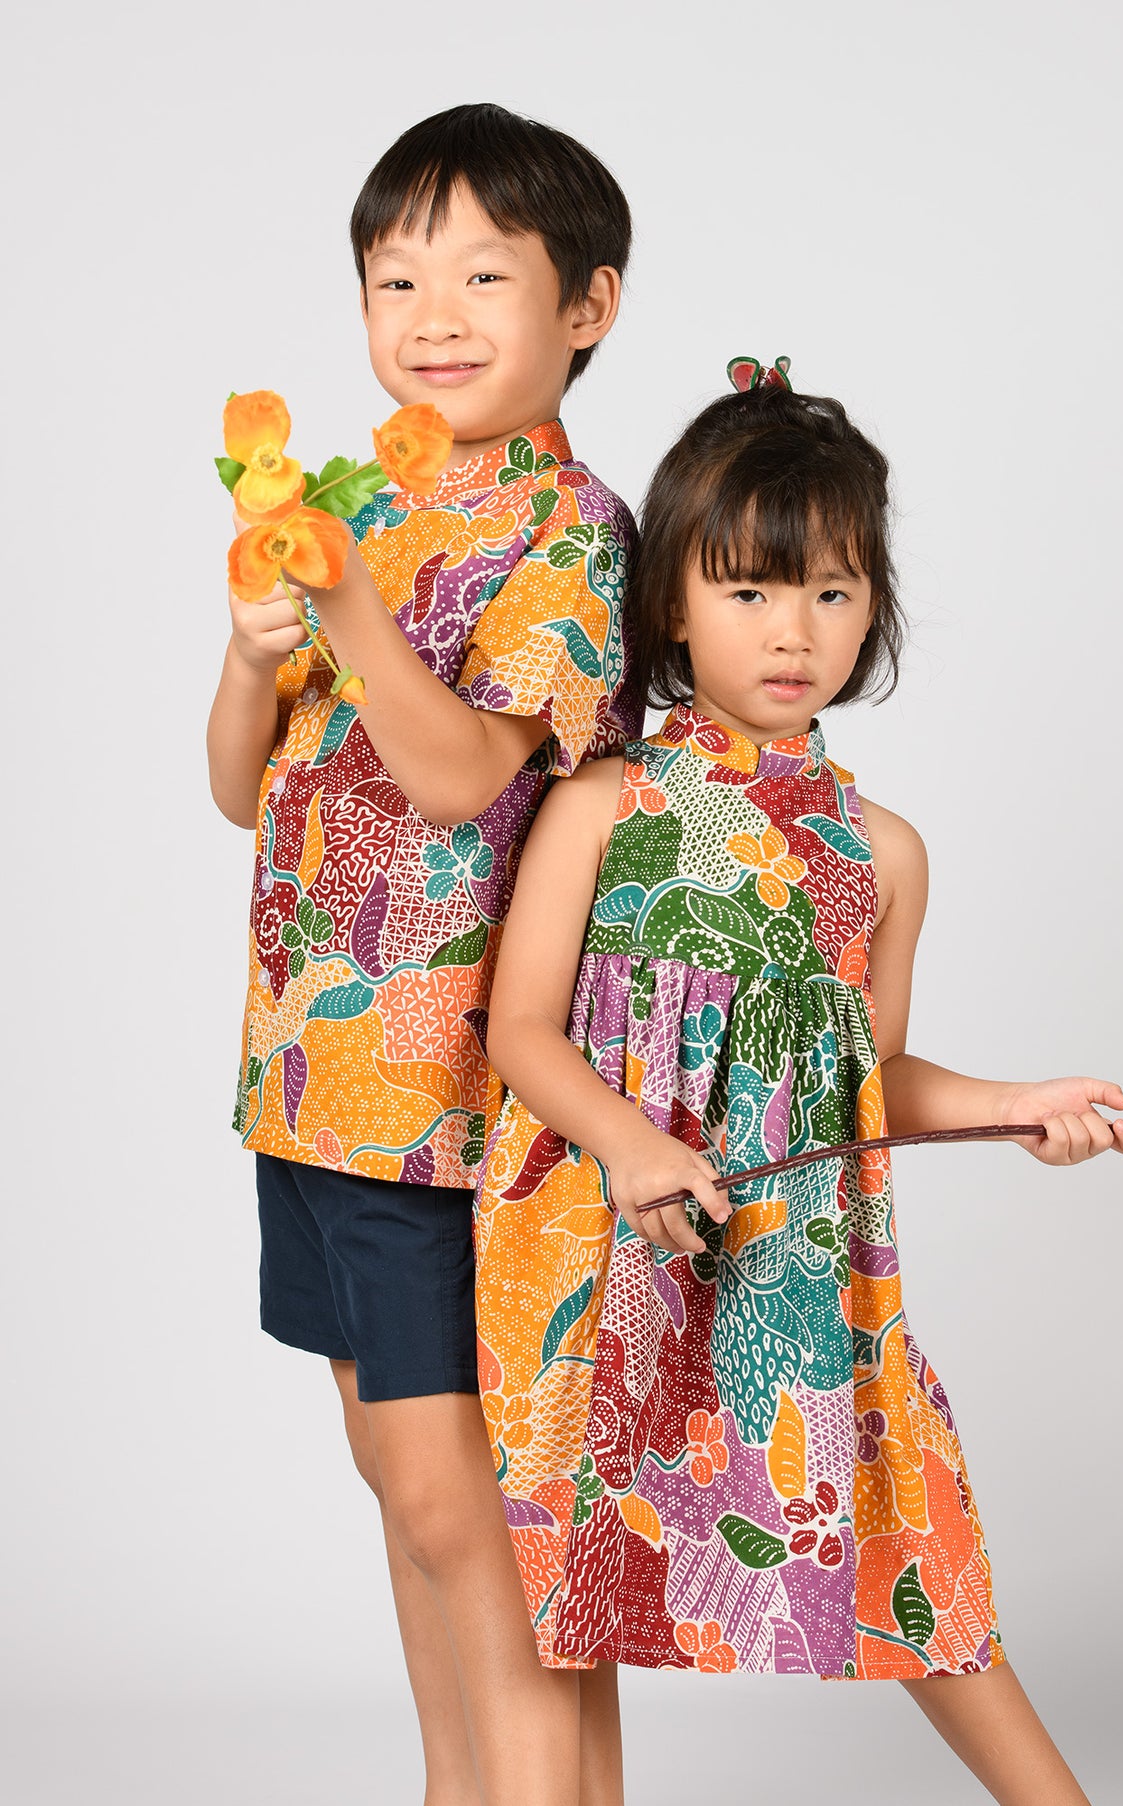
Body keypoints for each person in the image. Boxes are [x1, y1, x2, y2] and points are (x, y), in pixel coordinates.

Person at [474, 365, 1123, 1806]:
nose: (794, 631)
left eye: (832, 593)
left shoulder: (878, 851)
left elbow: (872, 1075)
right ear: (670, 606)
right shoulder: (601, 806)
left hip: (799, 1269)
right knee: (564, 1590)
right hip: (603, 1257)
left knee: (916, 1550)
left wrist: (1017, 1101)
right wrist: (631, 1147)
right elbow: (522, 1030)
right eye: (751, 590)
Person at [206, 103, 636, 1806]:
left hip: (454, 1098)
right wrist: (257, 645)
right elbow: (245, 785)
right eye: (397, 277)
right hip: (310, 1082)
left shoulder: (570, 527)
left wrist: (354, 610)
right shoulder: (356, 494)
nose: (432, 312)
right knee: (409, 1498)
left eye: (480, 272)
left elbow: (464, 776)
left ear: (586, 306)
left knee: (484, 1520)